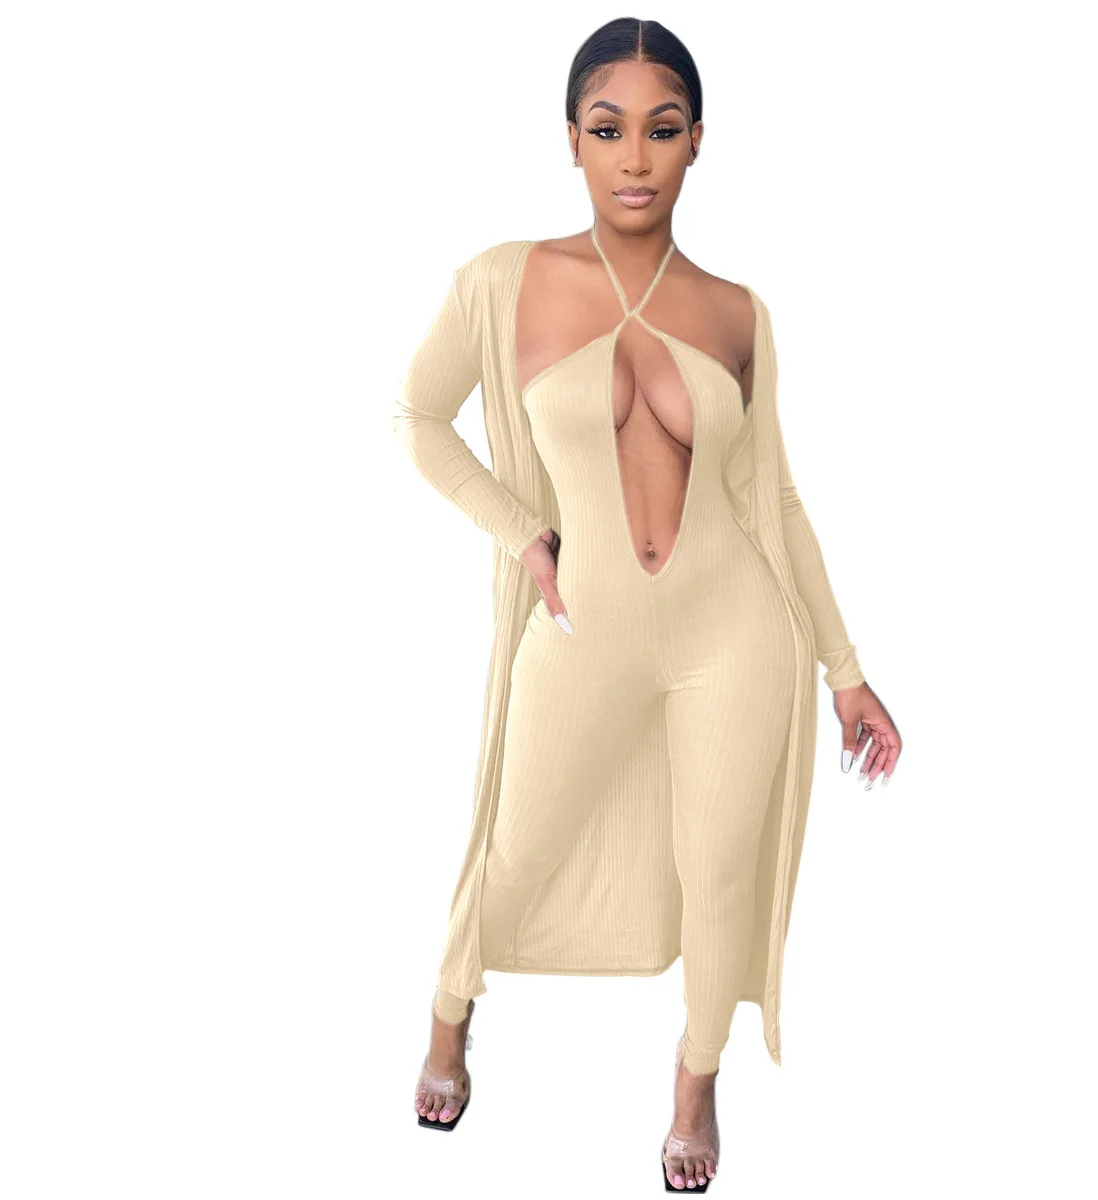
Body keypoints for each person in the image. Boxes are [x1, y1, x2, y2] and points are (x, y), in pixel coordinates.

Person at [395, 17, 902, 1191]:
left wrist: (845, 671)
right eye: (608, 128)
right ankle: (449, 1017)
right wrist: (523, 535)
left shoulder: (737, 312)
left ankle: (694, 1087)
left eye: (662, 130)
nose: (635, 158)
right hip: (583, 626)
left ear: (698, 142)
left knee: (719, 870)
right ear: (570, 140)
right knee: (513, 846)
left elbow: (775, 499)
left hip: (736, 631)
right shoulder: (504, 282)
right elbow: (417, 419)